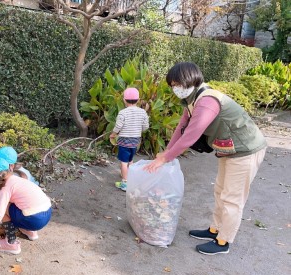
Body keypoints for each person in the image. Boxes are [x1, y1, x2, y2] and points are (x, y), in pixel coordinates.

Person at [144, 62, 267, 255]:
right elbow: (181, 128)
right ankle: (214, 230)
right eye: (172, 85)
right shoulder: (193, 99)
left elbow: (191, 135)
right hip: (229, 150)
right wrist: (166, 153)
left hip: (246, 150)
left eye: (177, 84)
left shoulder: (207, 101)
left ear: (188, 80)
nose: (175, 89)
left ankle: (223, 242)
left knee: (232, 198)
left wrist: (165, 158)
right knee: (220, 191)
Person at [0, 157, 52, 254]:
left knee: (5, 208)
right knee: (18, 204)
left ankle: (11, 243)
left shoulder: (5, 189)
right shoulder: (18, 179)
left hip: (34, 219)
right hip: (47, 213)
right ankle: (31, 232)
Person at [110, 87, 149, 191]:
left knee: (123, 162)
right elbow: (146, 127)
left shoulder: (123, 113)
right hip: (135, 141)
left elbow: (118, 126)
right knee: (131, 160)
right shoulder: (143, 112)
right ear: (138, 99)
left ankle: (125, 183)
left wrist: (113, 134)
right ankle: (131, 179)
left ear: (124, 99)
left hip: (124, 141)